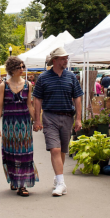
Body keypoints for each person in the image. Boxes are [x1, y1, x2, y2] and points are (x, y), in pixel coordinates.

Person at [32, 46, 83, 197]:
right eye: (63, 58)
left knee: (61, 150)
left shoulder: (71, 77)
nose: (66, 60)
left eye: (66, 58)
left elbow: (77, 98)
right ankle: (61, 183)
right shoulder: (43, 77)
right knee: (54, 149)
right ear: (55, 60)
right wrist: (37, 120)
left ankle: (57, 177)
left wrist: (78, 119)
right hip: (50, 117)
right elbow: (37, 99)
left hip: (67, 116)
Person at [0, 57, 38, 196]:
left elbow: (29, 105)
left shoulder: (28, 85)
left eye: (22, 66)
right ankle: (15, 180)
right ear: (12, 69)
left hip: (24, 124)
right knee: (11, 152)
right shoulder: (3, 85)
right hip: (9, 124)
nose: (22, 69)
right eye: (19, 67)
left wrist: (37, 121)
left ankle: (22, 185)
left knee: (24, 152)